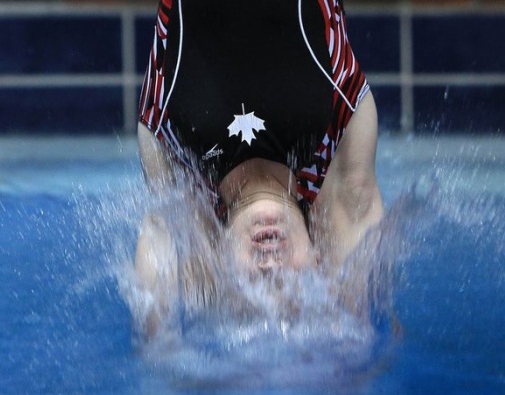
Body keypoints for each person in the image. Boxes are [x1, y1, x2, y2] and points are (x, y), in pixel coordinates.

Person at [133, 0, 383, 338]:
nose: (271, 264)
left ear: (220, 263)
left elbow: (161, 239)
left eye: (259, 282)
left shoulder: (180, 156)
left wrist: (163, 343)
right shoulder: (334, 141)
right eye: (288, 283)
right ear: (318, 260)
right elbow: (359, 334)